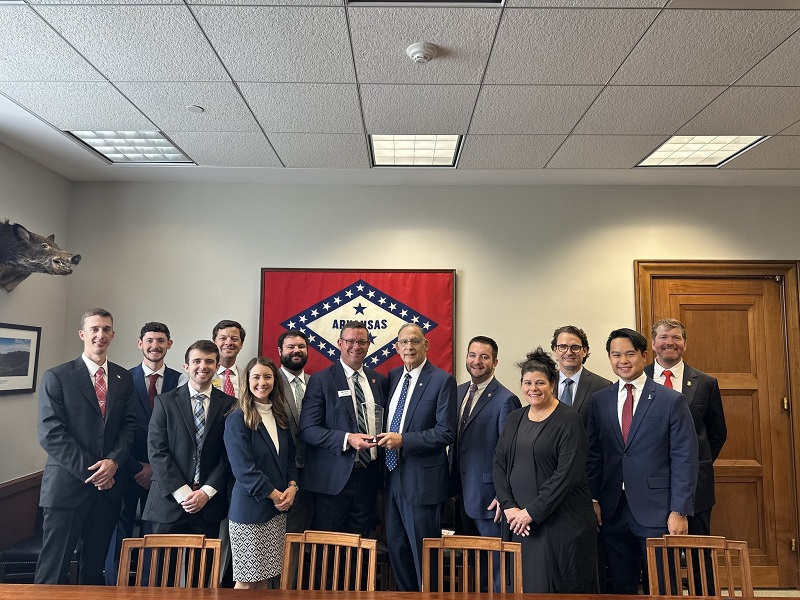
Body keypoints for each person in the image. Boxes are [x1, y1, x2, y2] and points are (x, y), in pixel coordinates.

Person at [587, 328, 698, 594]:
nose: (622, 360)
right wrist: (593, 499)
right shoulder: (599, 400)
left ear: (644, 355)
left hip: (658, 510)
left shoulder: (671, 400)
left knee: (662, 585)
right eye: (616, 355)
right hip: (612, 509)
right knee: (621, 584)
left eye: (629, 354)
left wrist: (679, 510)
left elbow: (685, 457)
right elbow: (594, 455)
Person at [35, 308, 136, 585]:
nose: (100, 335)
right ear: (83, 334)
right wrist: (95, 473)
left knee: (94, 571)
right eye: (94, 329)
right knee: (53, 571)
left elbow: (129, 427)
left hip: (109, 492)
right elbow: (51, 433)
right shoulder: (57, 376)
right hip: (67, 489)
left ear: (113, 335)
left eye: (106, 329)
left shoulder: (123, 378)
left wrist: (113, 463)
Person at [493, 347, 598, 593]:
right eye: (527, 382)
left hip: (559, 523)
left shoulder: (569, 420)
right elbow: (499, 462)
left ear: (552, 383)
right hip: (520, 523)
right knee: (523, 586)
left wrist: (531, 513)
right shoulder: (515, 418)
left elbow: (567, 475)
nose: (533, 388)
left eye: (540, 382)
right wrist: (509, 508)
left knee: (554, 588)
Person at [377, 323, 457, 591]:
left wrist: (404, 441)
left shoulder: (442, 380)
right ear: (397, 348)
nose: (409, 347)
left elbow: (446, 432)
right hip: (391, 479)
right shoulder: (392, 376)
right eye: (403, 342)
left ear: (426, 345)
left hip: (422, 483)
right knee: (397, 550)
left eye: (415, 341)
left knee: (425, 556)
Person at [105, 321, 182, 585]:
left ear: (169, 344)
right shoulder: (122, 379)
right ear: (140, 344)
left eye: (161, 341)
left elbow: (182, 434)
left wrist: (157, 469)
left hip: (165, 476)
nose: (155, 346)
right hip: (126, 471)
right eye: (149, 340)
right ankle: (115, 587)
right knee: (120, 535)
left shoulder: (180, 380)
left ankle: (154, 589)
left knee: (156, 540)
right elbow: (114, 430)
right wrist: (137, 467)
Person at [299, 321, 387, 536]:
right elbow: (307, 430)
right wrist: (347, 438)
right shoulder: (321, 380)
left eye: (361, 342)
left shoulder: (379, 381)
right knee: (329, 549)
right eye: (350, 341)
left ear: (368, 345)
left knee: (360, 545)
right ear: (339, 343)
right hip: (333, 480)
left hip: (370, 477)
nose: (355, 347)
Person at [143, 340, 236, 538]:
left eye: (209, 362)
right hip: (169, 502)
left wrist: (206, 492)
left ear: (217, 367)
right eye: (197, 361)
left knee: (203, 568)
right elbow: (157, 451)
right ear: (186, 367)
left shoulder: (230, 405)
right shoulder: (165, 402)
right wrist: (183, 493)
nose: (203, 366)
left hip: (209, 504)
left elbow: (229, 455)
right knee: (164, 569)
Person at [645, 318, 727, 537]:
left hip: (695, 486)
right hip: (649, 484)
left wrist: (693, 460)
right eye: (663, 337)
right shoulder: (637, 380)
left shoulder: (706, 383)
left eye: (676, 337)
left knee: (699, 555)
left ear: (685, 344)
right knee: (657, 557)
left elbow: (717, 433)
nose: (669, 342)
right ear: (653, 343)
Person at [451, 335, 520, 591]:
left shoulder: (505, 399)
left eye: (484, 356)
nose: (476, 361)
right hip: (460, 493)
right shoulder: (458, 392)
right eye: (472, 355)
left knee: (497, 567)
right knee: (474, 566)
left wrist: (505, 497)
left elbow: (510, 455)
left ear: (495, 362)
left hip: (490, 498)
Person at [224, 357, 297, 589]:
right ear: (247, 381)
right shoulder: (237, 419)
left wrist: (293, 487)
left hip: (276, 513)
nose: (262, 382)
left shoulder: (280, 416)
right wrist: (277, 496)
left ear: (275, 381)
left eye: (267, 376)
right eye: (256, 377)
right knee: (246, 583)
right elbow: (243, 470)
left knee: (264, 581)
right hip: (249, 511)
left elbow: (290, 460)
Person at [277, 329, 314, 533]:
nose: (296, 351)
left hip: (313, 469)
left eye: (301, 347)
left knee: (304, 530)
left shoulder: (316, 382)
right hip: (281, 468)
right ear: (280, 351)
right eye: (290, 347)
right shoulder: (269, 382)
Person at [550, 325, 613, 428]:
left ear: (585, 351)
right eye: (563, 347)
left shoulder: (603, 386)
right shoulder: (545, 383)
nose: (569, 352)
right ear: (555, 351)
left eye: (575, 347)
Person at [213, 320, 245, 399]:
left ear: (241, 345)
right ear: (214, 343)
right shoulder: (203, 375)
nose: (228, 343)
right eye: (223, 338)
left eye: (234, 339)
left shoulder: (247, 377)